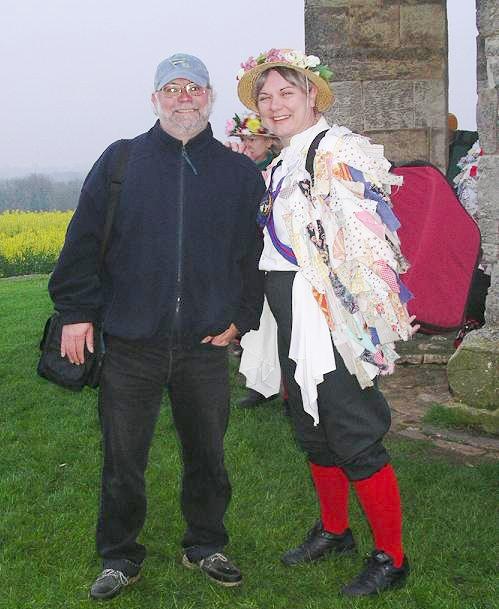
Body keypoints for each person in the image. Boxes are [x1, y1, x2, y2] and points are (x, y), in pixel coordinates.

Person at [48, 53, 265, 600]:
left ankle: (206, 544)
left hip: (204, 344)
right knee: (123, 460)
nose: (183, 97)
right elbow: (80, 242)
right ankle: (120, 556)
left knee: (208, 455)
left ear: (210, 98)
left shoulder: (239, 172)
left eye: (193, 88)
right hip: (129, 341)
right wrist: (76, 314)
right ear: (154, 100)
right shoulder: (122, 161)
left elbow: (254, 255)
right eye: (171, 88)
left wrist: (242, 318)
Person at [236, 48, 418, 597]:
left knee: (352, 429)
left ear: (312, 95)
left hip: (328, 313)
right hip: (288, 306)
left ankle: (392, 556)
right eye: (266, 97)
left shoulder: (336, 150)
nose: (274, 105)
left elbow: (368, 243)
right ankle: (335, 531)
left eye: (287, 93)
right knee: (311, 427)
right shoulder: (285, 158)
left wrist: (354, 321)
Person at [225, 112, 283, 408]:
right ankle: (260, 383)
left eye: (253, 139)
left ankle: (286, 387)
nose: (247, 145)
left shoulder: (277, 168)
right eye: (243, 139)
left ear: (268, 141)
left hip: (277, 254)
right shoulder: (237, 168)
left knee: (280, 321)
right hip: (252, 253)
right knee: (259, 320)